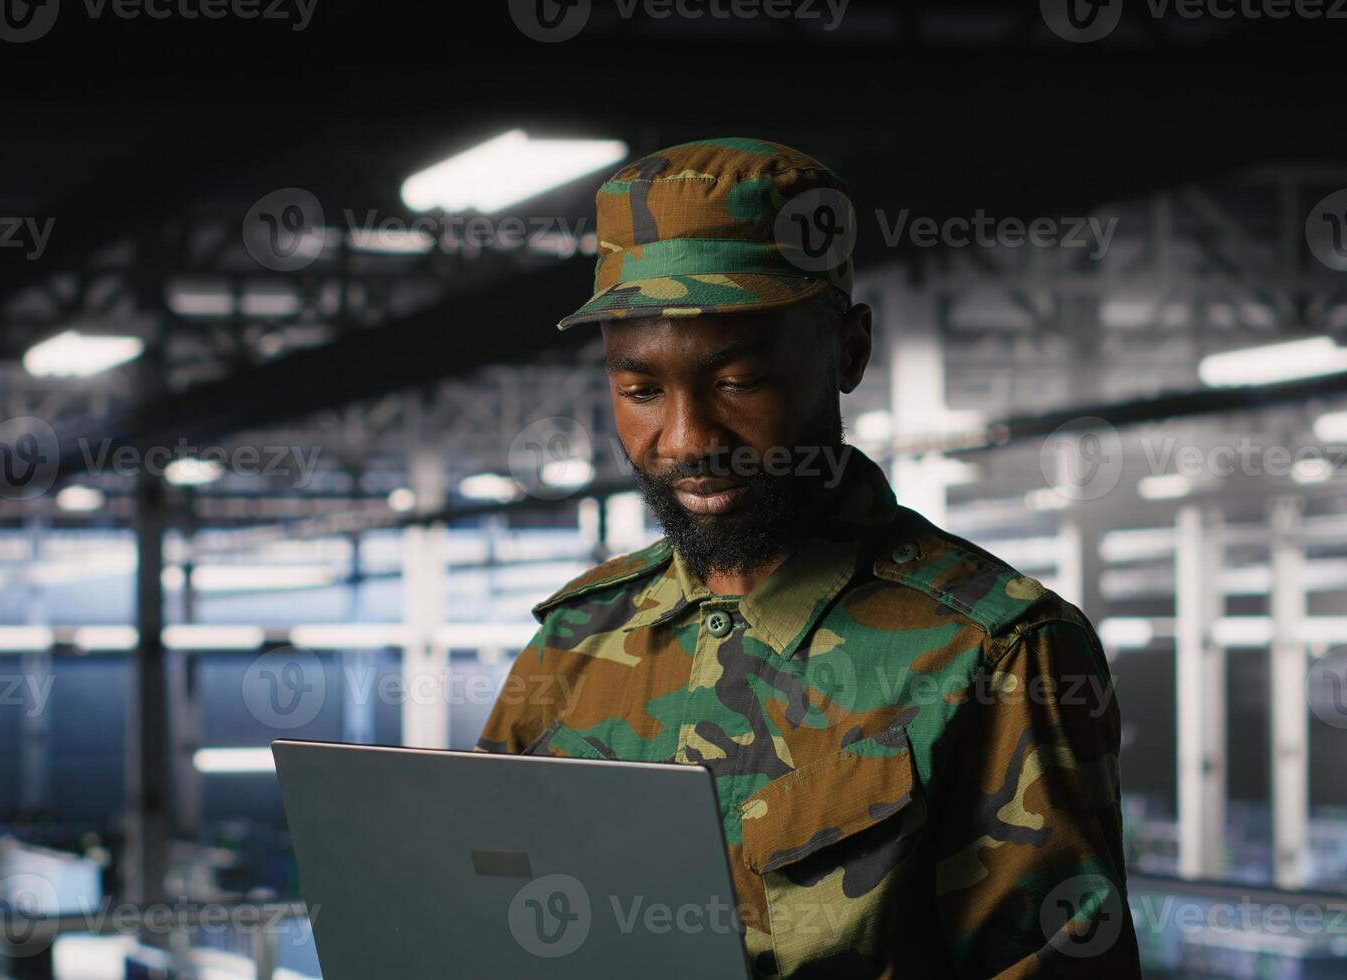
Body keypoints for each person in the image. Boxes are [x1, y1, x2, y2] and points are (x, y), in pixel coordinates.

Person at [477, 138, 1141, 977]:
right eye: (640, 390)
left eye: (739, 381)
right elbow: (485, 918)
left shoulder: (998, 654)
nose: (686, 442)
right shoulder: (572, 642)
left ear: (849, 352)